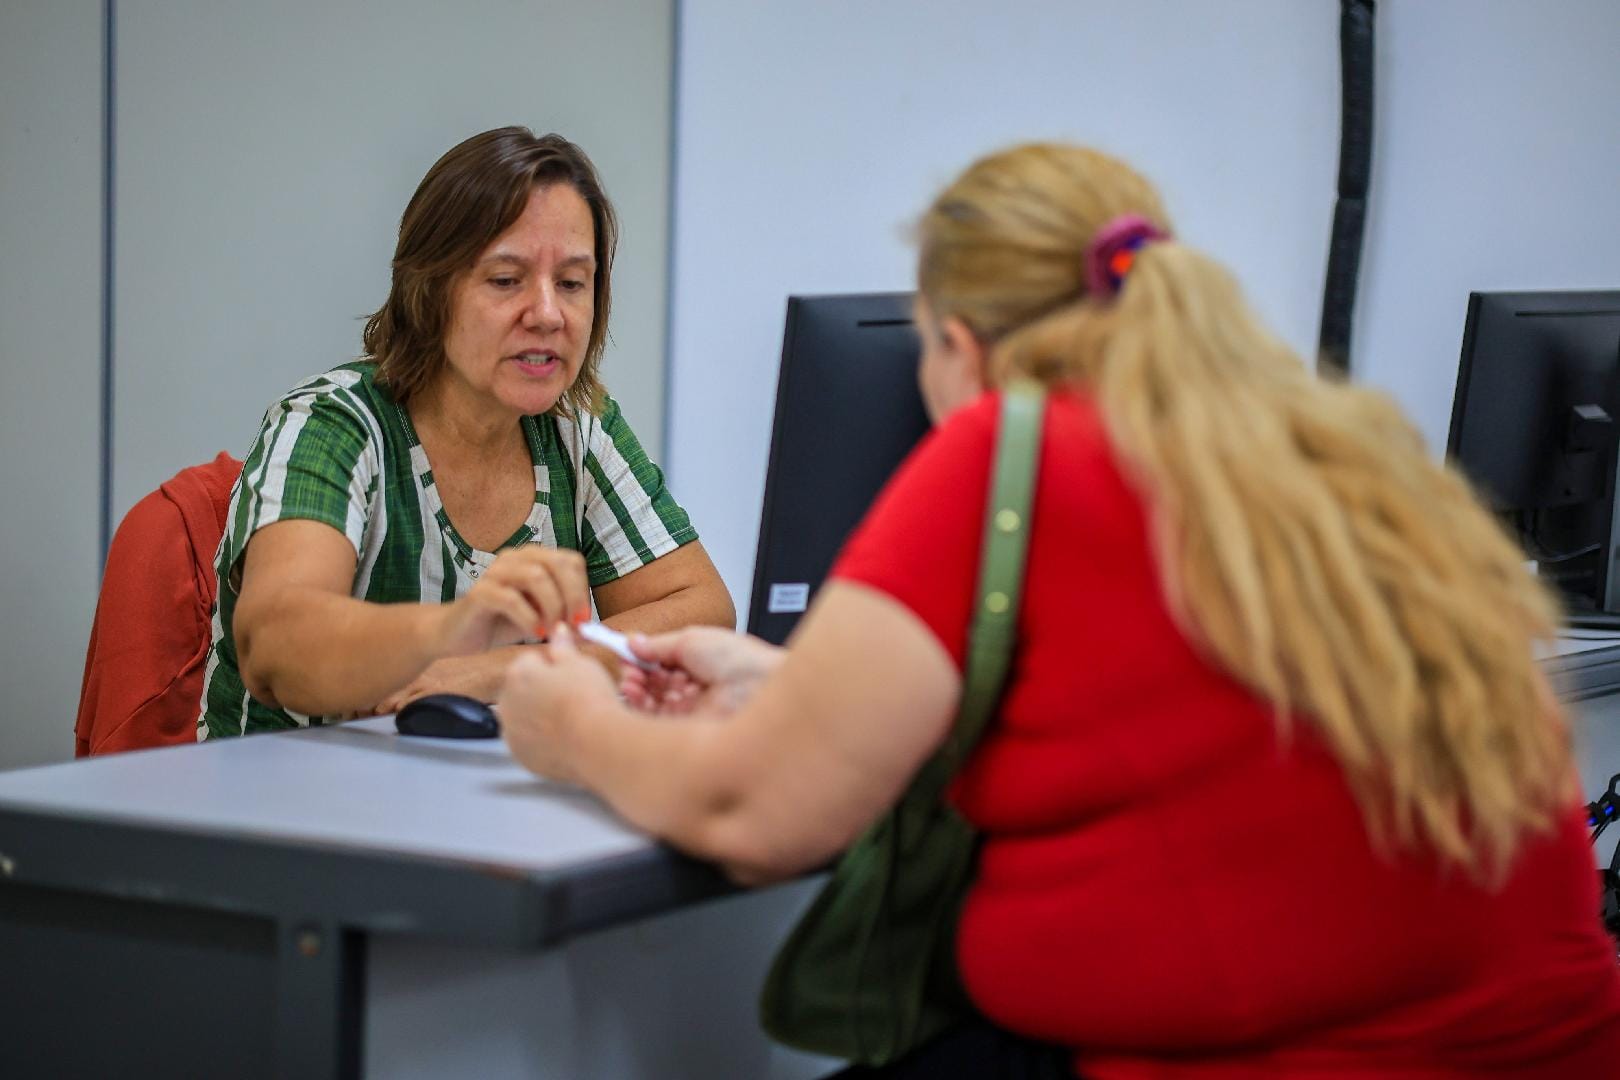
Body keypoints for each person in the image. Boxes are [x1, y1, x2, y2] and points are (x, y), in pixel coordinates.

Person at [495, 143, 1620, 1076]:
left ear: (962, 346)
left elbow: (755, 817)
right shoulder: (1333, 458)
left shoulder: (1016, 443)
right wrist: (792, 687)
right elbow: (1176, 715)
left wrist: (574, 732)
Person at [200, 127, 733, 738]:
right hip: (280, 813)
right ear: (429, 293)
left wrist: (502, 668)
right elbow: (278, 651)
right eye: (506, 280)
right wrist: (457, 629)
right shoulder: (331, 426)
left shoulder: (577, 429)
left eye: (572, 283)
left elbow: (703, 614)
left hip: (473, 804)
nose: (548, 314)